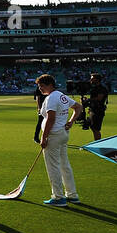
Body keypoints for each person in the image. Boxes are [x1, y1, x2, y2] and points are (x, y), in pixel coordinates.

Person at [36, 74, 80, 208]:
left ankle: (58, 197)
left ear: (50, 84)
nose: (40, 89)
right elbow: (78, 107)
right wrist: (71, 122)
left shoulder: (52, 98)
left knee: (53, 166)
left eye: (42, 86)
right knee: (64, 165)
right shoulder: (61, 95)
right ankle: (72, 195)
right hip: (63, 134)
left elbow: (51, 118)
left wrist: (44, 138)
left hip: (54, 135)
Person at [85, 73, 109, 139]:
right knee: (93, 128)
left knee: (96, 129)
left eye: (92, 79)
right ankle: (97, 143)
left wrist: (88, 100)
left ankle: (98, 144)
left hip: (98, 111)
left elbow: (99, 98)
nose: (90, 80)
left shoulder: (101, 88)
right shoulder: (95, 88)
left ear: (97, 80)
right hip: (93, 110)